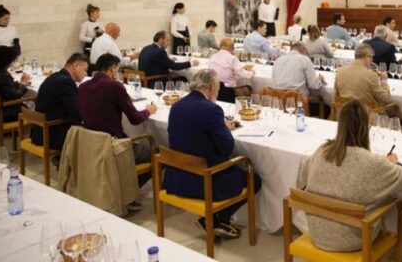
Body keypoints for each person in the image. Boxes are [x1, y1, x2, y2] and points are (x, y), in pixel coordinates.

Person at [296, 99, 402, 252]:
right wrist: (394, 163)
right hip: (354, 240)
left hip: (318, 234)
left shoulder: (322, 151)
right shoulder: (372, 162)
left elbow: (301, 181)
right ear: (366, 127)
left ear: (340, 125)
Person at [164, 69, 262, 240]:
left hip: (177, 177)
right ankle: (217, 218)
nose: (218, 91)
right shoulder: (212, 109)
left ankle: (217, 220)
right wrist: (224, 128)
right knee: (255, 178)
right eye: (217, 87)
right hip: (205, 180)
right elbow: (226, 148)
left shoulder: (177, 106)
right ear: (211, 86)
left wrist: (220, 127)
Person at [78, 53, 157, 196]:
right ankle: (127, 191)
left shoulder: (83, 86)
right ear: (112, 69)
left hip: (91, 141)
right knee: (157, 153)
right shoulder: (114, 86)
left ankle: (121, 186)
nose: (118, 73)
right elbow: (135, 119)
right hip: (113, 144)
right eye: (118, 70)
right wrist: (148, 111)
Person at [31, 53, 89, 151]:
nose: (86, 74)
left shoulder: (55, 76)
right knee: (94, 134)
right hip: (51, 134)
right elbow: (77, 111)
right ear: (76, 66)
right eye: (85, 70)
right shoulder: (65, 82)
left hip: (40, 131)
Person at [208, 38, 254, 103]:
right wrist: (251, 72)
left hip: (213, 89)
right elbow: (243, 74)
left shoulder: (213, 56)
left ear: (220, 46)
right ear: (232, 48)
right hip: (227, 92)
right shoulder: (232, 58)